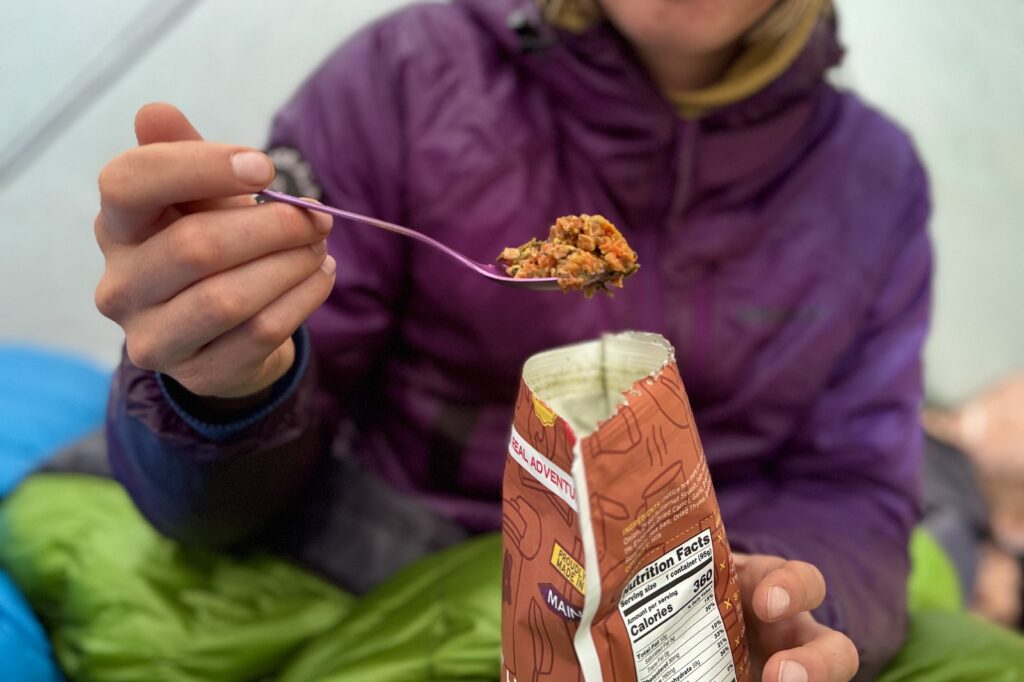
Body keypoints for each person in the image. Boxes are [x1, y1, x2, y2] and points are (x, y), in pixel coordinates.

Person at [93, 0, 931, 679]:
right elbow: (207, 513)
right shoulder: (404, 80)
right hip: (397, 562)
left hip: (692, 606)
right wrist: (223, 391)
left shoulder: (877, 180)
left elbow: (853, 485)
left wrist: (779, 597)